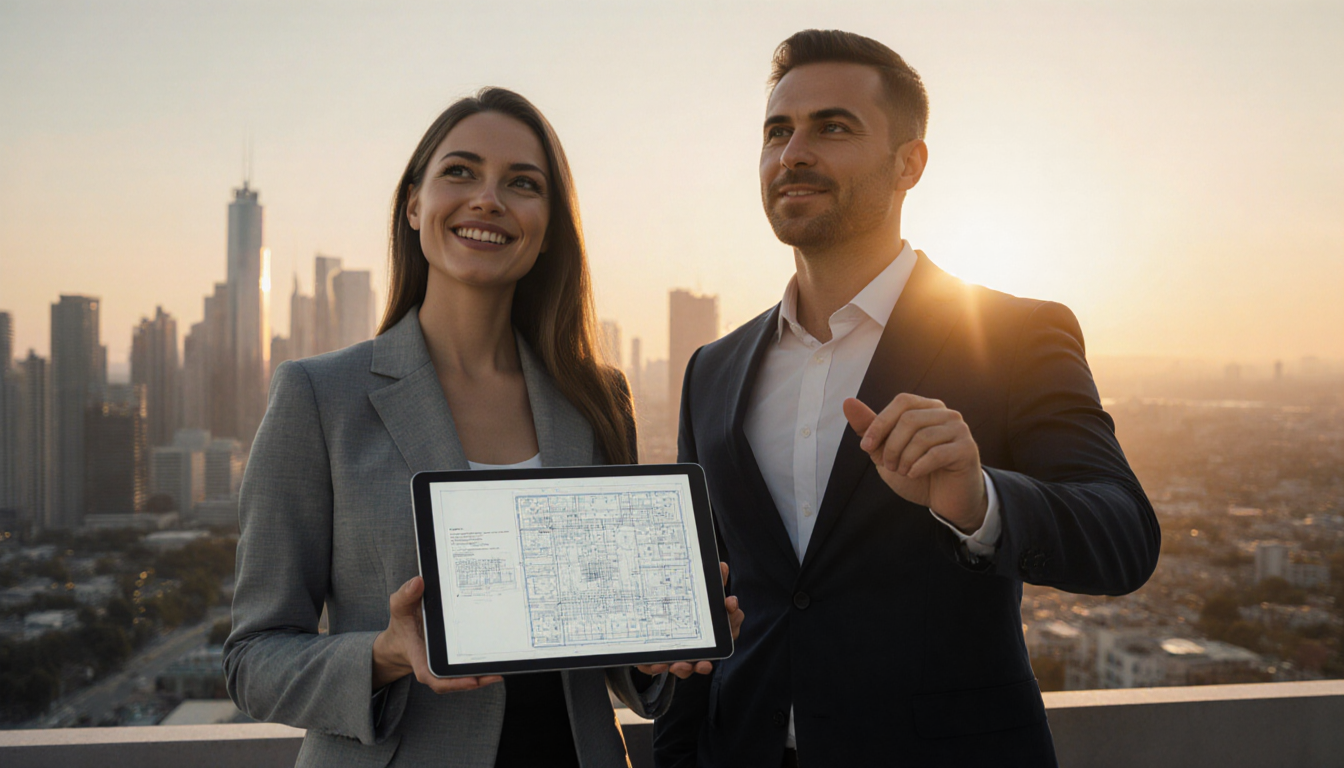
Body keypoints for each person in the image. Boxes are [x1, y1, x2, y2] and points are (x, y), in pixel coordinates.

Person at [653, 30, 1160, 767]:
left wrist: (978, 500)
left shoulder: (1014, 334)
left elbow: (1124, 535)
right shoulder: (713, 370)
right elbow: (702, 600)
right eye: (777, 131)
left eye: (833, 127)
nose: (793, 153)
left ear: (909, 164)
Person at [225, 87, 742, 768]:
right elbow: (253, 659)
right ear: (414, 204)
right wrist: (384, 654)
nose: (488, 199)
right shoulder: (319, 396)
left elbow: (608, 658)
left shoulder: (596, 398)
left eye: (522, 183)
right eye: (460, 172)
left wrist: (658, 647)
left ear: (550, 226)